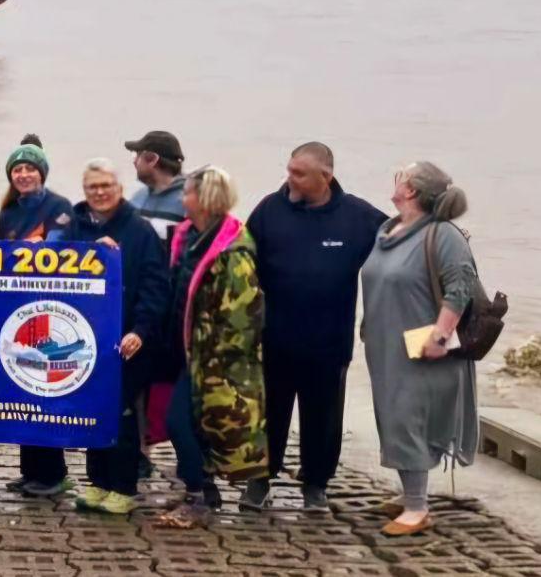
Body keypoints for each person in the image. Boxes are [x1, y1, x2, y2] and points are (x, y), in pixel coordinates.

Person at [242, 142, 386, 513]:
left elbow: (404, 242)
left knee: (323, 417)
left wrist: (446, 237)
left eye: (299, 173)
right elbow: (239, 262)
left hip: (328, 342)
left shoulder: (358, 217)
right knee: (269, 412)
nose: (289, 177)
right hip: (274, 338)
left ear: (326, 176)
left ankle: (316, 484)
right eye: (289, 169)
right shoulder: (268, 211)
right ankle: (260, 480)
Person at [361, 162, 478, 537]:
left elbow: (460, 287)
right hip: (385, 345)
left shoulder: (443, 235)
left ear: (411, 190)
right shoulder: (390, 230)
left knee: (408, 418)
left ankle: (417, 508)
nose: (395, 178)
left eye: (402, 175)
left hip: (424, 347)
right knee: (392, 416)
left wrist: (441, 337)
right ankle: (411, 492)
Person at [52, 159, 170, 516]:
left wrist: (141, 331)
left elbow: (156, 286)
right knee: (92, 412)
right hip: (84, 341)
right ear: (84, 192)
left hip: (128, 341)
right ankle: (98, 482)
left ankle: (124, 486)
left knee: (122, 413)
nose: (100, 193)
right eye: (92, 188)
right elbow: (50, 268)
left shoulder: (140, 230)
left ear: (119, 189)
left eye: (106, 186)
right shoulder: (74, 226)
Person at [156, 166, 267, 529]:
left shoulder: (233, 251)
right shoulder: (188, 237)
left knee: (178, 422)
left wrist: (215, 361)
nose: (180, 198)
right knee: (187, 423)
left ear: (204, 199)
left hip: (212, 359)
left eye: (186, 192)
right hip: (182, 348)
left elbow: (241, 318)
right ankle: (204, 489)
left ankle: (198, 496)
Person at [0, 140, 77, 496]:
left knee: (45, 389)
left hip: (50, 309)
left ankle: (54, 475)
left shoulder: (60, 207)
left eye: (30, 169)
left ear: (42, 172)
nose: (23, 174)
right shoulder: (8, 211)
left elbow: (59, 248)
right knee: (23, 389)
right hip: (18, 308)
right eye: (17, 169)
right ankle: (30, 470)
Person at [126, 131, 187, 243]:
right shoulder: (137, 197)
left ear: (152, 160)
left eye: (138, 155)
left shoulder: (188, 201)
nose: (134, 161)